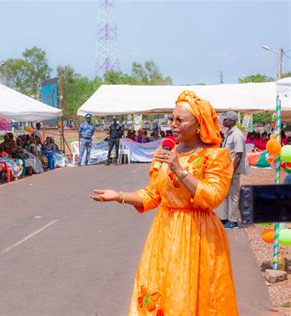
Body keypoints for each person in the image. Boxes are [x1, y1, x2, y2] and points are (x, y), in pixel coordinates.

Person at [90, 90, 238, 315]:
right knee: (162, 291)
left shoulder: (216, 156)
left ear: (198, 125)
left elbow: (213, 197)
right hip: (164, 233)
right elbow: (152, 195)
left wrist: (178, 169)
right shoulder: (166, 151)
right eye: (171, 119)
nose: (173, 125)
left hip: (198, 234)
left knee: (194, 295)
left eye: (180, 120)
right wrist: (118, 196)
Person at [216, 111, 248, 229]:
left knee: (233, 195)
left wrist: (231, 171)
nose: (224, 121)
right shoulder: (229, 133)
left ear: (232, 121)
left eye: (225, 119)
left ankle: (233, 220)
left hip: (232, 171)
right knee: (225, 194)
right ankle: (225, 218)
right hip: (226, 169)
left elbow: (238, 155)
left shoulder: (237, 135)